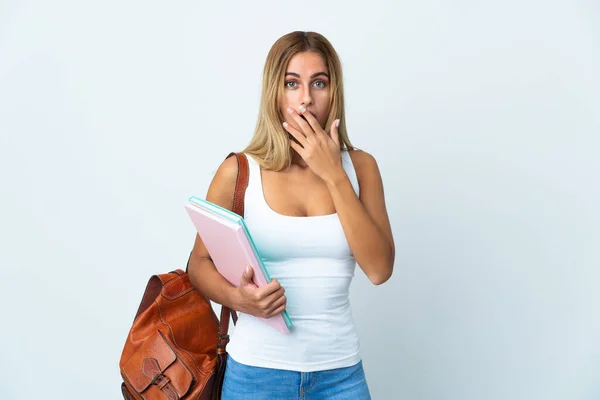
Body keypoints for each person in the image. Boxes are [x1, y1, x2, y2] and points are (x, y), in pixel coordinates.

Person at [188, 31, 395, 400]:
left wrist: (334, 174)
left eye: (319, 82)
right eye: (291, 83)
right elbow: (198, 263)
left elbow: (379, 270)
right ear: (275, 92)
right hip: (255, 376)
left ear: (334, 92)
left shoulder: (361, 168)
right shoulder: (239, 172)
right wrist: (238, 299)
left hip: (341, 377)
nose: (306, 98)